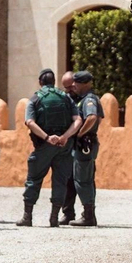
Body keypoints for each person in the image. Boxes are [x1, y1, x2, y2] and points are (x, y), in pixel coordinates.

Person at [20, 68, 80, 227]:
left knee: (34, 179)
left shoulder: (35, 99)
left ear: (40, 82)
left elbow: (30, 122)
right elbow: (77, 121)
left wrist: (47, 138)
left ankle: (28, 217)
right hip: (63, 146)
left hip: (44, 146)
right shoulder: (66, 98)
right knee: (60, 180)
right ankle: (54, 218)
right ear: (54, 82)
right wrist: (64, 137)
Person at [70, 70, 103, 227]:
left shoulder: (89, 100)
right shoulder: (87, 99)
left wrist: (81, 134)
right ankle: (89, 213)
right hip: (88, 143)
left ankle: (88, 216)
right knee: (86, 179)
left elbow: (92, 117)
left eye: (76, 82)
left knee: (82, 179)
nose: (73, 85)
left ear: (84, 83)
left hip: (85, 144)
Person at [58, 71, 79, 224]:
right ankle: (68, 212)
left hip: (82, 144)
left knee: (84, 180)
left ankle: (89, 213)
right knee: (68, 179)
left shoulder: (86, 98)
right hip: (68, 145)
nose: (69, 90)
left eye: (71, 86)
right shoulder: (66, 100)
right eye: (66, 88)